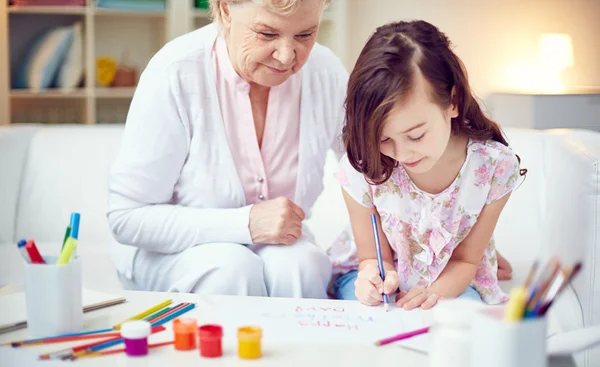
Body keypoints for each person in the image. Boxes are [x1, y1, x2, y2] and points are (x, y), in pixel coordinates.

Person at [107, 0, 347, 298]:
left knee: (303, 264)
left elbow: (370, 173)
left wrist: (385, 260)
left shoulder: (326, 72)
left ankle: (304, 346)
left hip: (276, 245)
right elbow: (126, 217)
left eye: (305, 35)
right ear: (225, 10)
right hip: (172, 253)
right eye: (267, 34)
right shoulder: (175, 72)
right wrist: (243, 224)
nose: (287, 57)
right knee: (231, 268)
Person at [327, 20, 526, 309]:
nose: (402, 153)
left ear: (453, 101)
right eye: (384, 139)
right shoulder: (364, 164)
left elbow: (466, 260)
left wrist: (434, 294)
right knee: (367, 309)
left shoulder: (494, 168)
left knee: (460, 313)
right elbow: (372, 257)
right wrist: (372, 277)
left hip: (450, 278)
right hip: (370, 275)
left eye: (416, 135)